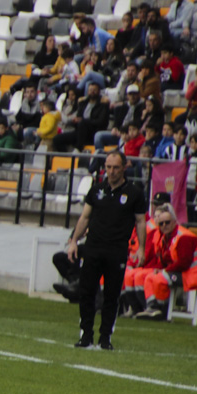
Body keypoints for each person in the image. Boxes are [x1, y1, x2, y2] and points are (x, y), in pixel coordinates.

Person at [66, 150, 148, 350]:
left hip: (117, 250)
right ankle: (85, 334)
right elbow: (85, 217)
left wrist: (141, 249)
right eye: (108, 167)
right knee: (87, 293)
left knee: (111, 296)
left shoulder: (134, 193)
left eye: (116, 167)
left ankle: (105, 338)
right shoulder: (96, 190)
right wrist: (74, 240)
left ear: (124, 167)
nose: (111, 172)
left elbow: (140, 222)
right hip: (93, 247)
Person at [135, 204, 197, 319]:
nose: (164, 226)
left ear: (174, 222)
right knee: (148, 277)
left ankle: (161, 310)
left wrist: (164, 270)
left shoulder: (184, 237)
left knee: (158, 278)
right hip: (183, 272)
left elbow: (184, 262)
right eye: (161, 223)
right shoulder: (167, 237)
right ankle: (151, 308)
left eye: (167, 222)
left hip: (194, 275)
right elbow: (166, 259)